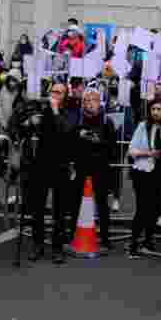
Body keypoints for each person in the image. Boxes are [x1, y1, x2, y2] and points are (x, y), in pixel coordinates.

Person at [21, 82, 76, 264]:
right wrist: (29, 122)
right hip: (40, 165)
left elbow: (65, 130)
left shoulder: (68, 114)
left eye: (59, 93)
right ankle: (37, 245)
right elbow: (23, 129)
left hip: (60, 165)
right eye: (53, 92)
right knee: (37, 207)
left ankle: (57, 247)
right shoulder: (41, 111)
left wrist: (54, 111)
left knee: (59, 209)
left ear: (65, 96)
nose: (54, 95)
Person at [72, 87, 117, 251]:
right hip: (81, 166)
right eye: (87, 100)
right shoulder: (77, 120)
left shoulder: (107, 122)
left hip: (100, 167)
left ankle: (105, 237)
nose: (91, 104)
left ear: (100, 102)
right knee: (75, 201)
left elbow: (113, 149)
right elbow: (71, 145)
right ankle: (73, 234)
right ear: (83, 103)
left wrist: (98, 142)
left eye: (94, 100)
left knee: (102, 203)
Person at [128, 98, 161, 258]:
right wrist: (148, 154)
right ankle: (134, 243)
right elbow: (132, 150)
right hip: (143, 172)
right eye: (153, 109)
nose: (156, 112)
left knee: (155, 208)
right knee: (142, 208)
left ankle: (148, 241)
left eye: (159, 109)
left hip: (160, 173)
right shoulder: (142, 126)